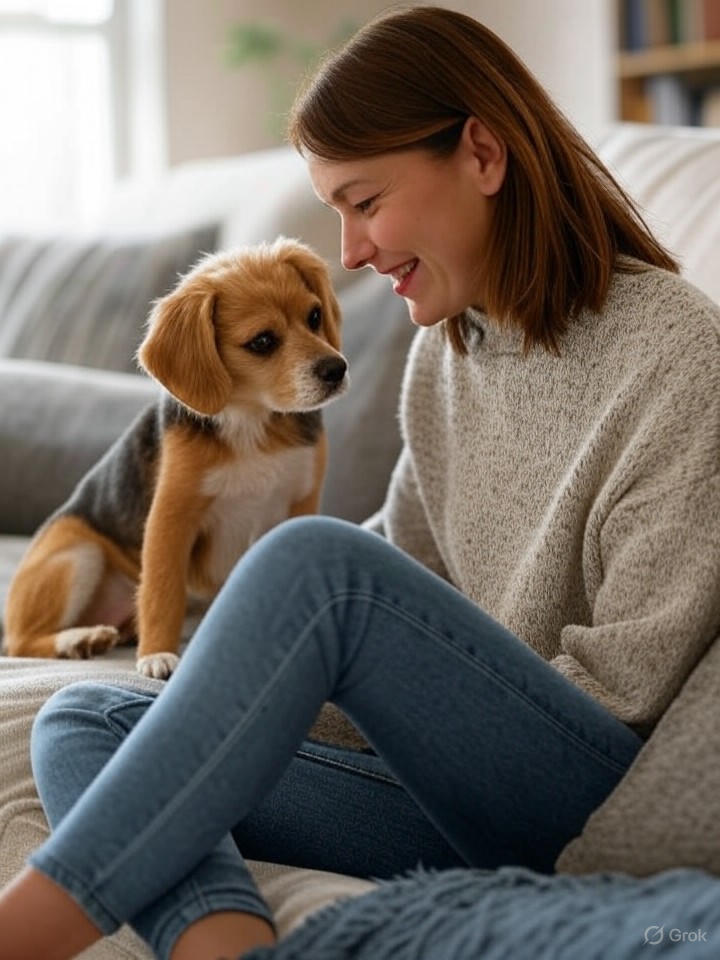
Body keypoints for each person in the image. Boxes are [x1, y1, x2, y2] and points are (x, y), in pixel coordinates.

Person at [2, 6, 720, 960]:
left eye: (365, 201)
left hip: (581, 791)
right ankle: (224, 948)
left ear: (483, 155)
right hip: (443, 793)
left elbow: (627, 687)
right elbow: (405, 570)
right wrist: (251, 688)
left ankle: (21, 935)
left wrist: (381, 696)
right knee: (88, 718)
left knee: (315, 563)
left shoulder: (677, 354)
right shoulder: (450, 348)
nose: (348, 253)